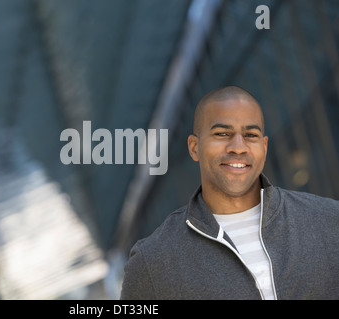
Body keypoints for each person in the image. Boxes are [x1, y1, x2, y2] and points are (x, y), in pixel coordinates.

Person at [120, 86, 339, 300]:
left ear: (264, 147)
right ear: (194, 147)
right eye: (222, 133)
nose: (238, 147)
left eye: (250, 135)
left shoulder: (330, 221)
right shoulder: (153, 262)